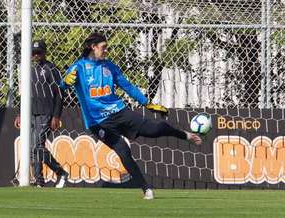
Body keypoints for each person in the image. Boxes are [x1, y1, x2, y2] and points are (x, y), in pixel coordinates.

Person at [59, 32, 202, 199]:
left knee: (154, 130)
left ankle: (184, 135)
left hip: (120, 112)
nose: (106, 51)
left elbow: (128, 86)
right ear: (93, 47)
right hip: (98, 122)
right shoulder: (79, 67)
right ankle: (146, 189)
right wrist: (65, 82)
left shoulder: (109, 66)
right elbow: (61, 86)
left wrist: (147, 103)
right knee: (123, 150)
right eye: (103, 47)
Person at [14, 39, 68, 188]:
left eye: (39, 52)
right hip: (31, 113)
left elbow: (59, 94)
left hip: (47, 113)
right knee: (33, 147)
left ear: (45, 53)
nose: (35, 55)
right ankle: (39, 181)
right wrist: (20, 113)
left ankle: (60, 172)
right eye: (33, 53)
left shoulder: (52, 70)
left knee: (37, 145)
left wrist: (56, 115)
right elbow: (25, 94)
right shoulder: (28, 70)